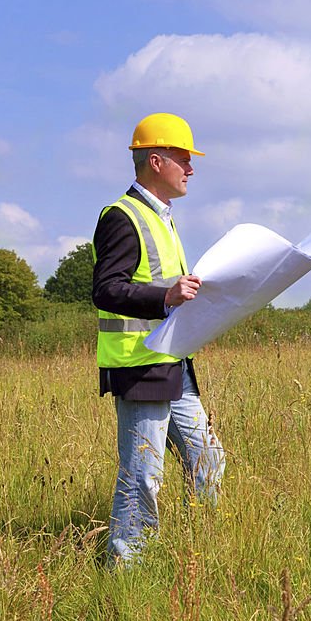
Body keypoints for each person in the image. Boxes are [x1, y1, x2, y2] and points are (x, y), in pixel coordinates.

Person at [92, 112, 225, 565]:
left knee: (209, 460)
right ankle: (126, 571)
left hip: (174, 365)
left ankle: (201, 554)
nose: (191, 168)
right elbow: (106, 289)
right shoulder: (122, 216)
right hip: (140, 366)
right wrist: (165, 295)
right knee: (142, 475)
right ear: (155, 160)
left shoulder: (163, 218)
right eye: (183, 158)